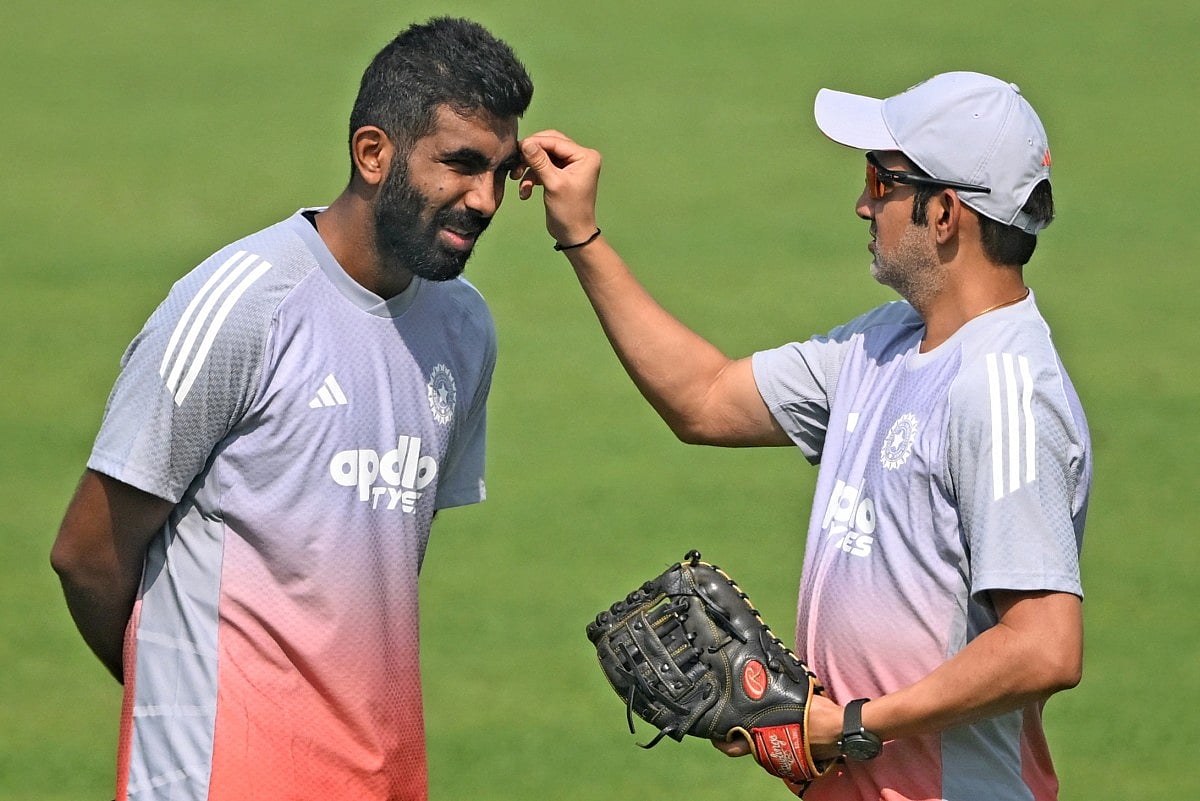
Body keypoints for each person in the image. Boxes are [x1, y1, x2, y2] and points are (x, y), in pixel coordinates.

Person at [516, 71, 1090, 801]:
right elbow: (704, 398)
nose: (861, 204)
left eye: (881, 183)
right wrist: (581, 236)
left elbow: (1044, 646)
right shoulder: (882, 346)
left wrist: (854, 723)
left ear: (945, 212)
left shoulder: (1006, 388)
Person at [50, 17, 532, 801]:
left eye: (501, 171)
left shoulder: (462, 327)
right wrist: (189, 702)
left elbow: (371, 566)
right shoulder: (244, 304)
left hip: (382, 776)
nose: (483, 199)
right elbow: (88, 551)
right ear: (373, 153)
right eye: (461, 164)